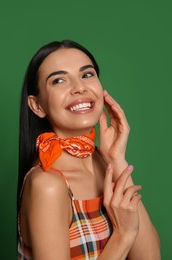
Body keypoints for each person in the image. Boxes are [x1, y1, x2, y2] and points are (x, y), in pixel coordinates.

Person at [17, 40, 161, 260]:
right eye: (59, 80)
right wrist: (123, 235)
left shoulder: (104, 163)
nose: (79, 87)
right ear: (37, 105)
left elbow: (150, 258)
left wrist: (117, 160)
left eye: (87, 75)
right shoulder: (47, 185)